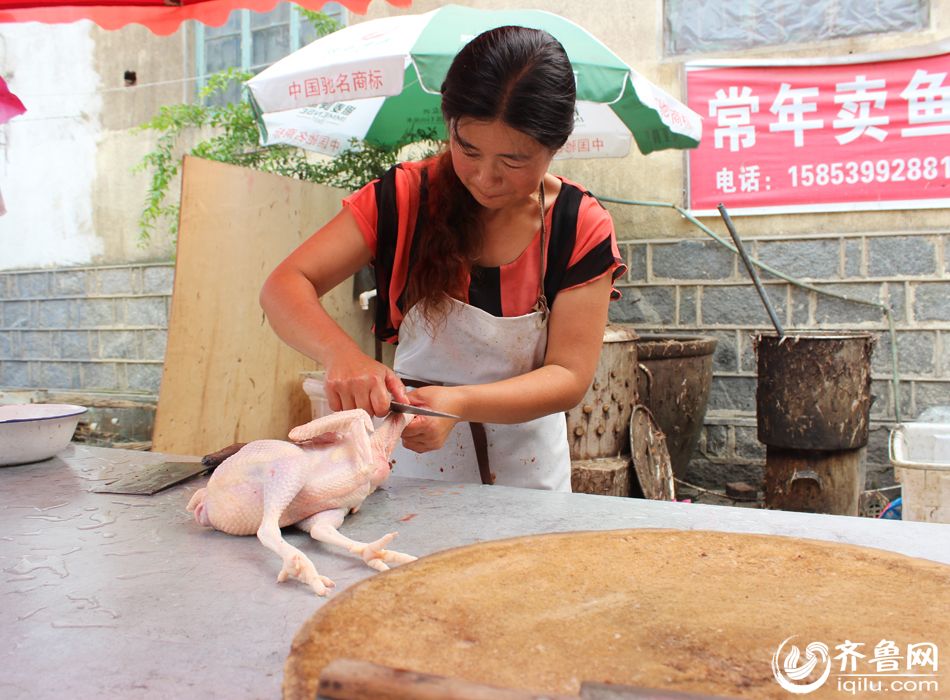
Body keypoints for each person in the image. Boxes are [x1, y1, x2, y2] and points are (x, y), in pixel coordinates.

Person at [260, 25, 625, 491]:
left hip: (526, 474)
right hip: (408, 463)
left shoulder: (579, 226)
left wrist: (459, 405)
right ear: (450, 125)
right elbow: (285, 283)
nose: (486, 177)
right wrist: (341, 355)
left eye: (513, 161)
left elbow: (569, 376)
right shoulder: (404, 199)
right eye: (468, 149)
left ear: (555, 146)